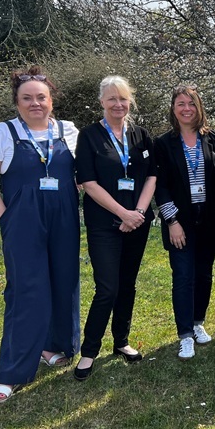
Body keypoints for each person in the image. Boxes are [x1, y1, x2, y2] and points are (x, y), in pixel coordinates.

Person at [0, 66, 81, 403]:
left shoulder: (68, 130)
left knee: (64, 281)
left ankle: (53, 346)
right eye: (27, 98)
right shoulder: (3, 132)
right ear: (17, 102)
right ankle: (12, 372)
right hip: (23, 220)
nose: (35, 103)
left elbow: (83, 175)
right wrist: (6, 219)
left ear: (51, 100)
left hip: (64, 218)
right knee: (26, 290)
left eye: (41, 97)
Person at [73, 76, 157, 381]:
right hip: (105, 224)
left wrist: (138, 213)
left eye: (123, 98)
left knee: (127, 285)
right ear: (102, 102)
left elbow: (152, 176)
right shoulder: (89, 136)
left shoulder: (141, 135)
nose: (118, 104)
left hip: (137, 222)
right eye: (112, 99)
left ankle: (121, 341)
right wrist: (123, 213)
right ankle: (89, 351)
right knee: (107, 288)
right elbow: (88, 183)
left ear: (130, 101)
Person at [155, 85, 215, 360]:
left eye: (191, 103)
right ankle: (184, 335)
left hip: (209, 219)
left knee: (204, 274)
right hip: (179, 222)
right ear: (173, 108)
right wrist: (171, 221)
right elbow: (160, 187)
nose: (186, 109)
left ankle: (197, 322)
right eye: (181, 103)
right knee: (183, 276)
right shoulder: (163, 143)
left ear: (199, 107)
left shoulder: (212, 138)